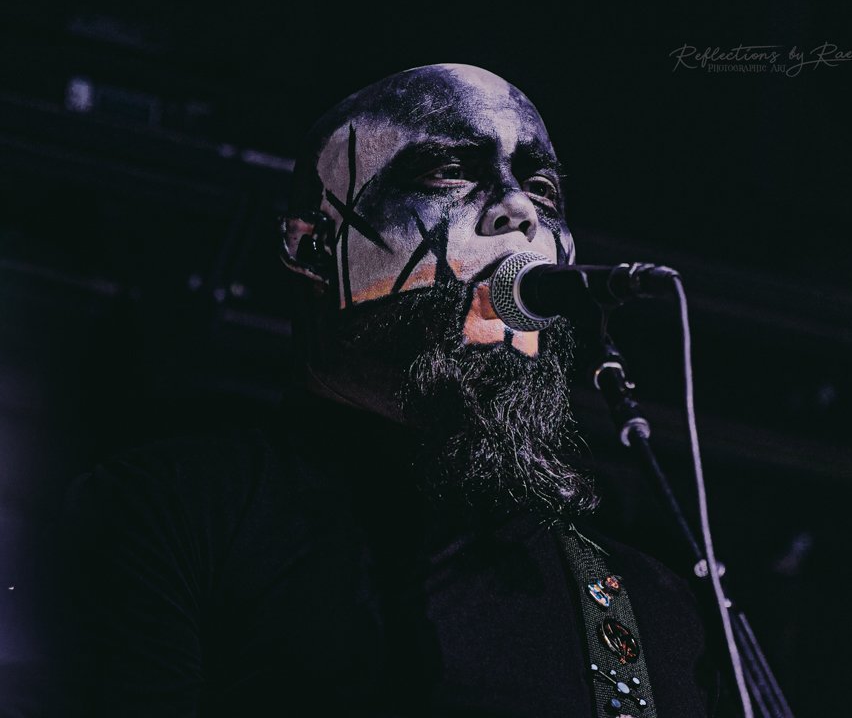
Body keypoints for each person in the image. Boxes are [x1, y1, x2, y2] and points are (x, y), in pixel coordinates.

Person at [45, 64, 723, 717]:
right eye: (450, 171)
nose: (519, 211)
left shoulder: (652, 609)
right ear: (313, 247)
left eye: (541, 189)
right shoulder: (170, 513)